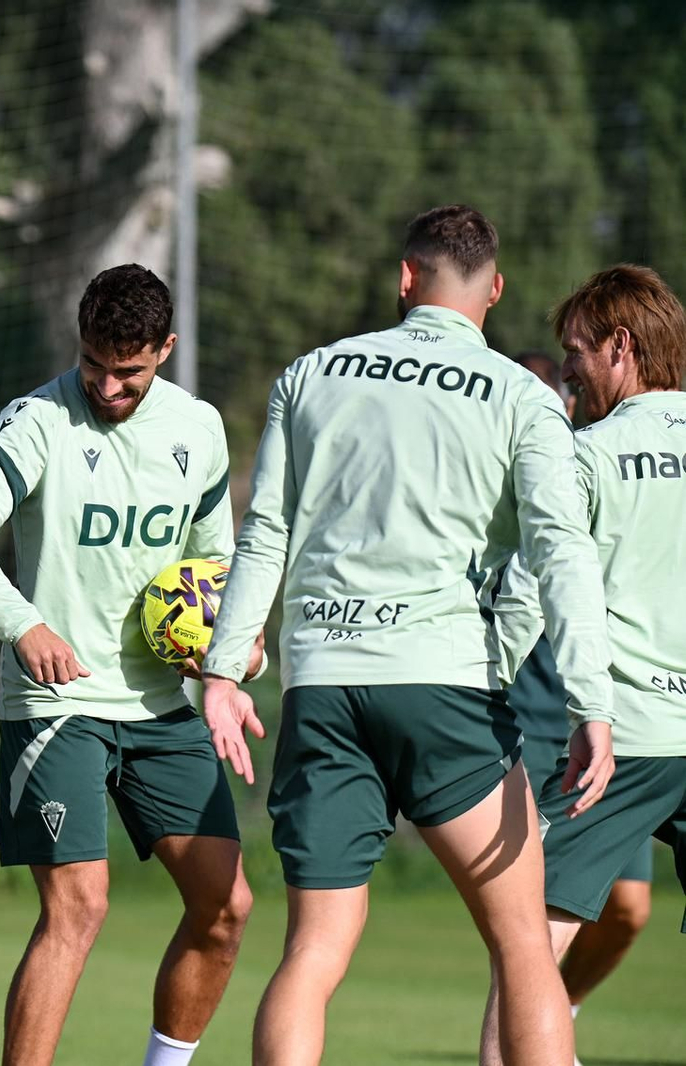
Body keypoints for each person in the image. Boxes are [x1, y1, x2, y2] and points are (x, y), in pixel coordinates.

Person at [201, 205, 615, 1066]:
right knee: (523, 945)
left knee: (313, 951)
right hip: (442, 685)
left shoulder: (311, 372)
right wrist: (591, 703)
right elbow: (559, 556)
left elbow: (264, 531)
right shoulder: (522, 395)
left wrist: (222, 671)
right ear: (495, 289)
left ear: (405, 277)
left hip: (321, 683)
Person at [0, 264, 263, 1066]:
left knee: (225, 908)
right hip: (57, 706)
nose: (107, 385)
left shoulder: (197, 428)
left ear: (166, 348)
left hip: (160, 708)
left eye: (129, 371)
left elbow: (215, 570)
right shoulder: (34, 424)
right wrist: (23, 627)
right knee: (79, 908)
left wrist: (232, 653)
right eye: (94, 364)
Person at [481, 265, 686, 1066]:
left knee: (528, 955)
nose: (566, 369)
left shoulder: (588, 455)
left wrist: (474, 690)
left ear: (620, 347)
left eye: (575, 350)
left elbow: (534, 591)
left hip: (622, 742)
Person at [506, 352, 653, 1059]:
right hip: (533, 731)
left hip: (620, 726)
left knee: (627, 910)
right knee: (533, 925)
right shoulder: (510, 483)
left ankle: (552, 1016)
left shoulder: (597, 466)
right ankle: (533, 1033)